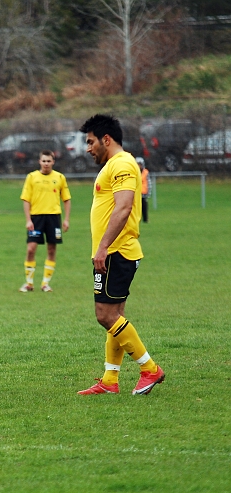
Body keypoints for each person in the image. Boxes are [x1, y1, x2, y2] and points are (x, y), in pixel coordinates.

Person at [77, 114, 164, 396]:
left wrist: (102, 248)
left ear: (106, 139)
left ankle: (150, 368)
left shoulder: (123, 163)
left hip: (117, 252)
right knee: (115, 316)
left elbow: (124, 207)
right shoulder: (114, 165)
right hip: (113, 251)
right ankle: (110, 380)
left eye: (90, 142)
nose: (87, 148)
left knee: (104, 315)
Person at [19, 150, 71, 293]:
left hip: (54, 218)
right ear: (39, 162)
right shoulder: (31, 177)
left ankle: (45, 283)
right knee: (31, 249)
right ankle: (29, 283)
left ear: (53, 162)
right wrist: (28, 220)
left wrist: (66, 219)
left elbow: (66, 199)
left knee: (52, 249)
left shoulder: (60, 177)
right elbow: (26, 199)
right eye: (44, 161)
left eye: (49, 161)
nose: (46, 163)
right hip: (36, 218)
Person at [137, 157, 151, 223]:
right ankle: (137, 219)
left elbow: (149, 183)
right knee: (137, 207)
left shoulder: (145, 172)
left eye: (140, 164)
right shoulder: (134, 172)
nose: (139, 166)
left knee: (144, 207)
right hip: (137, 193)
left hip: (144, 193)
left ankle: (145, 219)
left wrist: (148, 192)